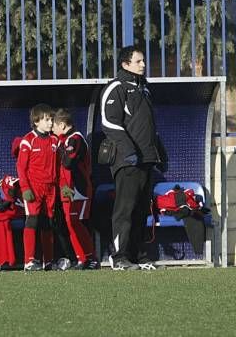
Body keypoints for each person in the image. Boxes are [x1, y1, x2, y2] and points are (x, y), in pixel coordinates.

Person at [100, 45, 168, 271]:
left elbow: (149, 127)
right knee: (125, 209)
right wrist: (129, 151)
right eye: (138, 61)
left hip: (147, 160)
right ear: (125, 64)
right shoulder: (116, 88)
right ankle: (119, 257)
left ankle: (138, 255)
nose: (143, 65)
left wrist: (159, 153)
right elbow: (109, 122)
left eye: (143, 61)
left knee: (141, 210)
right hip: (127, 160)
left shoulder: (144, 89)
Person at [52, 108, 99, 270]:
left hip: (80, 189)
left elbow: (68, 162)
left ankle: (90, 258)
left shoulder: (75, 139)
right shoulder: (64, 140)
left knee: (77, 223)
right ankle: (81, 258)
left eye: (54, 126)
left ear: (63, 125)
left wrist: (59, 149)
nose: (52, 129)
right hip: (68, 189)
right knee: (71, 223)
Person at [16, 104, 58, 271]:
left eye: (51, 119)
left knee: (48, 222)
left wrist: (62, 186)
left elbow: (59, 166)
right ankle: (29, 261)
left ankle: (48, 261)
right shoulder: (28, 140)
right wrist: (25, 188)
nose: (50, 123)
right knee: (32, 220)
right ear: (36, 121)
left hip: (51, 188)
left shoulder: (55, 140)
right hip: (34, 188)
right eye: (46, 119)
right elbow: (21, 167)